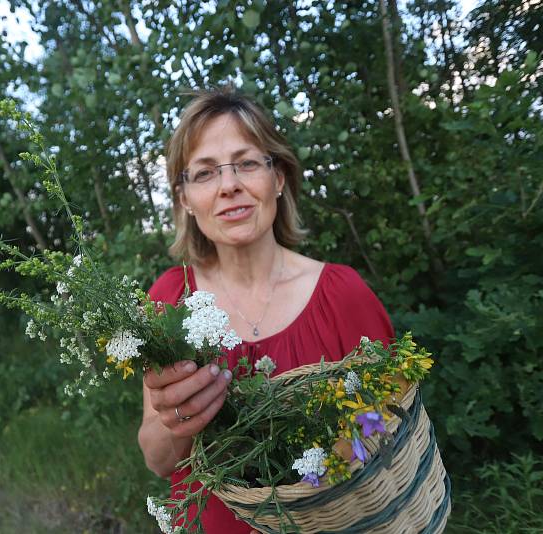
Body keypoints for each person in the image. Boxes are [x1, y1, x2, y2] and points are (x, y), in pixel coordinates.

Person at [137, 88, 394, 533]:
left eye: (247, 163)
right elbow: (157, 461)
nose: (228, 185)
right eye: (204, 173)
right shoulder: (167, 299)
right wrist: (178, 421)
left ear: (278, 178)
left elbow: (390, 435)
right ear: (184, 200)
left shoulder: (343, 295)